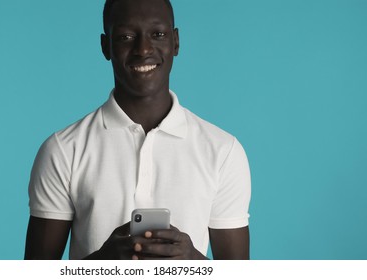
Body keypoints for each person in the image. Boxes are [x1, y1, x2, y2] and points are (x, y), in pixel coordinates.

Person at [24, 0, 251, 260]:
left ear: (176, 41)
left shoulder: (223, 151)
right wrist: (102, 264)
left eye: (158, 34)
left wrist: (193, 261)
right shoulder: (63, 150)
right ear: (105, 46)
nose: (143, 49)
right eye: (125, 37)